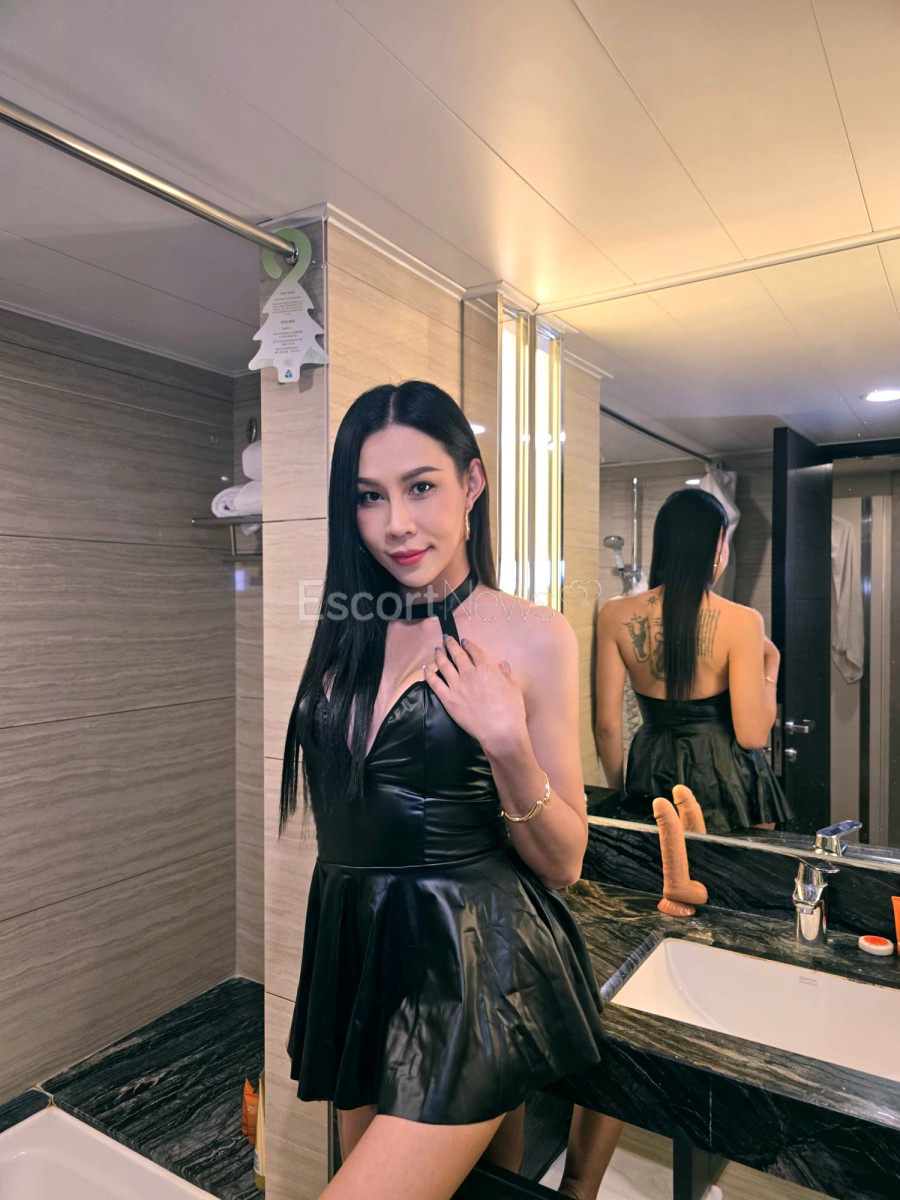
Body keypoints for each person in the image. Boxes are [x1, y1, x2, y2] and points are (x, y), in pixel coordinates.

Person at [279, 381, 605, 1200]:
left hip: (473, 969)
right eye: (369, 496)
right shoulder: (347, 629)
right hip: (361, 953)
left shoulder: (534, 635)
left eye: (420, 486)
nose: (395, 522)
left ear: (472, 483)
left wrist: (508, 744)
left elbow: (566, 862)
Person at [594, 487, 789, 834]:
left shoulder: (613, 614)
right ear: (716, 546)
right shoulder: (742, 621)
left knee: (659, 864)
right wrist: (771, 665)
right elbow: (753, 736)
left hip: (651, 769)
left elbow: (607, 727)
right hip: (726, 780)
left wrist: (617, 795)